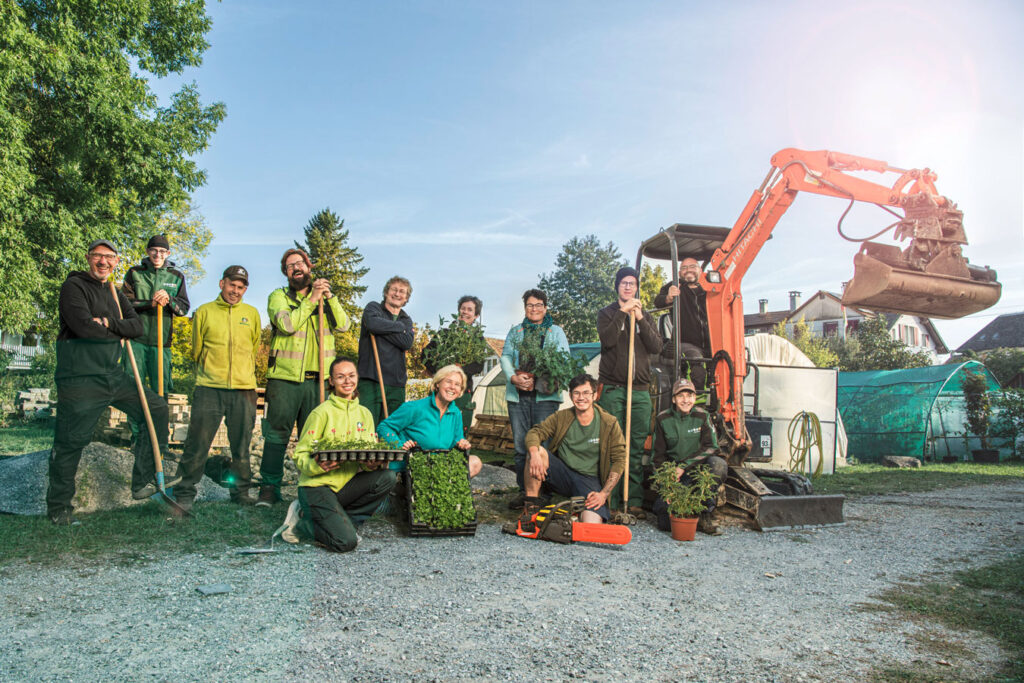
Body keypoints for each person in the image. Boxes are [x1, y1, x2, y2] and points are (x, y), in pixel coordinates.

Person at [47, 239, 179, 525]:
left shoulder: (114, 292)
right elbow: (83, 327)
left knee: (155, 408)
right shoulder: (74, 287)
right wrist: (115, 330)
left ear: (116, 262)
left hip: (112, 375)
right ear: (88, 258)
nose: (103, 262)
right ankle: (59, 508)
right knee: (71, 441)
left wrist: (106, 323)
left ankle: (142, 480)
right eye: (98, 256)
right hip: (79, 377)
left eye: (109, 257)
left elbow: (137, 327)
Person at [261, 248, 350, 507]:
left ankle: (311, 488)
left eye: (300, 263)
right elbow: (287, 326)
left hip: (319, 381)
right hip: (285, 380)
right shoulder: (279, 297)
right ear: (286, 273)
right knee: (277, 435)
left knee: (314, 437)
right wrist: (311, 299)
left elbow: (344, 325)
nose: (296, 268)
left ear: (309, 267)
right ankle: (269, 487)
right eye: (290, 266)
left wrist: (329, 297)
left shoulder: (325, 299)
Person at [279, 357, 396, 552]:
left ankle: (347, 522)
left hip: (345, 487)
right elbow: (300, 455)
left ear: (357, 378)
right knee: (345, 542)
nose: (347, 381)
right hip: (316, 487)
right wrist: (318, 466)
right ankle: (302, 523)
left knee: (386, 477)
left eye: (351, 376)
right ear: (331, 381)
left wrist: (372, 464)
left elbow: (365, 456)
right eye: (340, 377)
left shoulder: (365, 414)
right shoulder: (321, 413)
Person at [173, 266, 262, 512]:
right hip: (209, 388)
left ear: (245, 289)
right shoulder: (204, 312)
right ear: (221, 283)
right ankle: (184, 494)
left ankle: (241, 492)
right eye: (232, 285)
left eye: (241, 286)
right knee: (197, 444)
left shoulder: (252, 314)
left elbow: (253, 348)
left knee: (241, 446)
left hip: (244, 390)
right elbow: (196, 349)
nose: (236, 290)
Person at [596, 266, 662, 518]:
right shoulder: (607, 313)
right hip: (614, 388)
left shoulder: (645, 315)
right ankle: (611, 499)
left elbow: (656, 346)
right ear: (617, 287)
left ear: (637, 288)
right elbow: (608, 340)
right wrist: (623, 314)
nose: (627, 287)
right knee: (614, 444)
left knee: (635, 446)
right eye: (623, 283)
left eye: (632, 283)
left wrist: (641, 319)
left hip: (641, 391)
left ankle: (632, 499)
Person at [519, 374, 626, 526]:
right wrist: (534, 453)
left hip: (589, 480)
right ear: (570, 395)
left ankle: (573, 516)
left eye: (586, 393)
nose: (581, 398)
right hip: (563, 473)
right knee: (536, 452)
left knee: (591, 526)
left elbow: (619, 460)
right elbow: (535, 432)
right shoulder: (562, 417)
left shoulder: (609, 423)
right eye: (576, 393)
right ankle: (531, 510)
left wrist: (603, 494)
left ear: (595, 395)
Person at [500, 289, 569, 501]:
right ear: (525, 308)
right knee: (521, 447)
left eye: (538, 304)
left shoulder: (555, 332)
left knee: (542, 446)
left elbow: (563, 359)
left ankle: (543, 492)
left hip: (545, 398)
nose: (534, 309)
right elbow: (506, 357)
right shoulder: (516, 332)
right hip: (519, 397)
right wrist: (514, 377)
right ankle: (525, 492)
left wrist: (539, 378)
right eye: (530, 305)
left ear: (545, 307)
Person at [651, 378, 727, 535]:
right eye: (681, 396)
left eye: (689, 396)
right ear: (673, 399)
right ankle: (686, 513)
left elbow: (712, 446)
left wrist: (683, 466)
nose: (685, 400)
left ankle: (706, 513)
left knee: (718, 465)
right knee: (665, 523)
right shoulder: (662, 419)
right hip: (674, 474)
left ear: (695, 398)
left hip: (698, 470)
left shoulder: (702, 416)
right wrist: (667, 481)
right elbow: (657, 456)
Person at [376, 365, 483, 477]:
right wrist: (400, 446)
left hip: (439, 465)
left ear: (460, 390)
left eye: (457, 384)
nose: (452, 387)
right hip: (411, 467)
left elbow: (457, 438)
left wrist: (462, 443)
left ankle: (445, 489)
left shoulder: (455, 413)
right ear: (437, 384)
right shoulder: (415, 408)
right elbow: (384, 427)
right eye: (448, 382)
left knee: (475, 462)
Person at [120, 234, 190, 398]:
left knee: (160, 391)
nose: (157, 255)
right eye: (153, 251)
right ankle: (136, 424)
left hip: (161, 343)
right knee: (133, 389)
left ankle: (159, 423)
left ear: (168, 253)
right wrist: (149, 303)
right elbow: (124, 304)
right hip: (136, 340)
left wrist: (169, 300)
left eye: (162, 251)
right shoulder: (135, 273)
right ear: (147, 251)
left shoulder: (176, 276)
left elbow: (184, 309)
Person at [421, 295, 484, 434]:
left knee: (458, 427)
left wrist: (459, 370)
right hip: (441, 389)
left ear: (476, 315)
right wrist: (440, 372)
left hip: (463, 389)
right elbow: (425, 354)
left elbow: (479, 365)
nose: (465, 312)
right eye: (463, 309)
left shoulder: (477, 338)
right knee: (434, 424)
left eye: (470, 310)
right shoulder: (445, 334)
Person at [358, 276, 414, 426]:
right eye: (394, 289)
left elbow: (407, 342)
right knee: (366, 426)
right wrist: (398, 328)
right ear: (386, 292)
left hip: (396, 384)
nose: (397, 294)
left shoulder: (406, 319)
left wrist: (382, 330)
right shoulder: (373, 308)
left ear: (406, 298)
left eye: (402, 292)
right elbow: (372, 324)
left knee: (390, 429)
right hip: (371, 379)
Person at [654, 257, 711, 391]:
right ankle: (695, 402)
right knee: (697, 360)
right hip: (684, 342)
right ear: (679, 273)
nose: (688, 270)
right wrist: (668, 297)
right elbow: (658, 301)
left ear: (700, 270)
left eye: (692, 266)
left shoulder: (708, 289)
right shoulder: (675, 286)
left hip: (710, 342)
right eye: (684, 268)